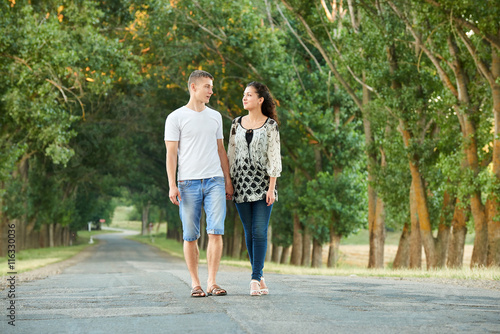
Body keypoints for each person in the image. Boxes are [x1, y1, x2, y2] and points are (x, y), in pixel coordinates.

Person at [164, 70, 233, 297]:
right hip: (187, 183)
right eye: (207, 87)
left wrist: (227, 180)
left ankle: (212, 282)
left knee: (215, 231)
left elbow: (221, 150)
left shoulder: (215, 116)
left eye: (211, 87)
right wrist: (172, 184)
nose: (211, 91)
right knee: (190, 235)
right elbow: (171, 154)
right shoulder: (175, 118)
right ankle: (196, 283)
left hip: (215, 180)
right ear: (193, 87)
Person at [227, 82, 282, 296]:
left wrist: (271, 187)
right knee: (249, 233)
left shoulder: (270, 126)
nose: (244, 98)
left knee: (259, 231)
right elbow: (230, 154)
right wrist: (228, 182)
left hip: (262, 186)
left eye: (249, 94)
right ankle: (259, 275)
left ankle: (253, 279)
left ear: (260, 100)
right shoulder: (235, 124)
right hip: (240, 185)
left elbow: (274, 157)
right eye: (244, 94)